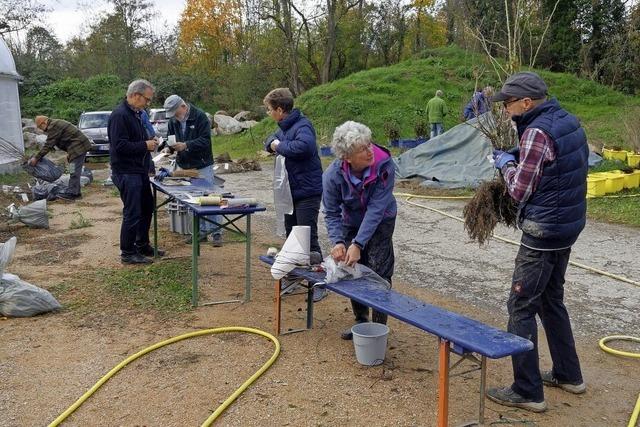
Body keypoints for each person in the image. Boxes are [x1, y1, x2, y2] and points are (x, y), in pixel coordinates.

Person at [487, 71, 588, 412]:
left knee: (520, 306)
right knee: (551, 299)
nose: (505, 111)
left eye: (509, 104)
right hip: (568, 225)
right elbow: (557, 162)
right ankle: (568, 374)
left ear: (526, 103)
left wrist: (505, 163)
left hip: (544, 230)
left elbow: (517, 191)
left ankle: (527, 390)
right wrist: (520, 152)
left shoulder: (537, 132)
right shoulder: (567, 120)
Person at [322, 121, 397, 340]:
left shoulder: (384, 165)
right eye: (362, 149)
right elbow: (331, 212)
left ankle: (378, 328)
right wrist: (339, 242)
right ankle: (361, 322)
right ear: (347, 158)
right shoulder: (332, 176)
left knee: (380, 271)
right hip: (350, 220)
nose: (369, 151)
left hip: (382, 219)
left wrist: (358, 243)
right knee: (352, 267)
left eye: (369, 144)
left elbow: (376, 208)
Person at [263, 88, 325, 302]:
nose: (268, 113)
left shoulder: (303, 125)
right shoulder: (285, 127)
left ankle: (320, 280)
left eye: (269, 110)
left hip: (307, 190)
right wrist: (274, 144)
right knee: (292, 236)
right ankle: (295, 274)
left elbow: (304, 147)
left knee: (308, 237)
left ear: (280, 110)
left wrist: (279, 146)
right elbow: (269, 141)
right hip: (291, 192)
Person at [108, 79, 163, 265]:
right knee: (132, 211)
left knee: (147, 207)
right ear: (135, 95)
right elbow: (120, 146)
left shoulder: (136, 114)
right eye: (146, 99)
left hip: (139, 170)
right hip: (125, 171)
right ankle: (128, 252)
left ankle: (142, 244)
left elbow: (136, 140)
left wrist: (150, 142)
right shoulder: (120, 115)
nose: (148, 103)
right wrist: (144, 145)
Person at [164, 94, 222, 246]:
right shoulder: (173, 121)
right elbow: (170, 139)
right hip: (184, 165)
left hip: (202, 164)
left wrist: (186, 145)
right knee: (191, 200)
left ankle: (216, 233)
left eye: (175, 113)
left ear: (183, 107)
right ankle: (200, 232)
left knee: (210, 198)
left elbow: (205, 140)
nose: (174, 117)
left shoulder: (200, 117)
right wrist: (168, 149)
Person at [29, 116, 92, 200]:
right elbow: (67, 138)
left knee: (73, 170)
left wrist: (36, 158)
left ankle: (73, 193)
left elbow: (48, 145)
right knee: (72, 169)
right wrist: (69, 152)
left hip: (78, 147)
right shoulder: (54, 124)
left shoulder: (53, 126)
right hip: (75, 148)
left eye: (41, 127)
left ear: (44, 123)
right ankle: (75, 191)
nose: (42, 130)